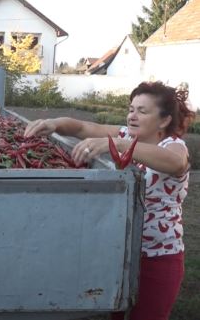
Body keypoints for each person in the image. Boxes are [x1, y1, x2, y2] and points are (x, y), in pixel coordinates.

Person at [24, 81, 196, 320]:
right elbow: (82, 127)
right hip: (121, 251)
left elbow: (175, 162)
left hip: (157, 257)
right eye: (131, 109)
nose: (132, 116)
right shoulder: (126, 134)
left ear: (164, 120)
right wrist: (54, 123)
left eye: (142, 111)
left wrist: (118, 144)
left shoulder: (173, 146)